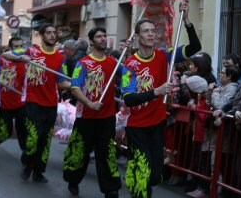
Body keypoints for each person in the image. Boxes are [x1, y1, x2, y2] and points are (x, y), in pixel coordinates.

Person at [63, 27, 170, 198]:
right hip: (86, 118)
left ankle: (111, 189)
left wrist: (127, 52)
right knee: (79, 152)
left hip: (106, 119)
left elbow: (130, 72)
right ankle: (73, 180)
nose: (103, 39)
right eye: (99, 36)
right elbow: (75, 87)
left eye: (105, 36)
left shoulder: (114, 63)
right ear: (91, 41)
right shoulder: (83, 64)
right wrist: (89, 103)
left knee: (107, 155)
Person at [123, 0, 201, 198]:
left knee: (156, 174)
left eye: (152, 31)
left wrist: (187, 20)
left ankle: (137, 178)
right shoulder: (130, 64)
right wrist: (157, 92)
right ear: (138, 37)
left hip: (157, 124)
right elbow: (129, 99)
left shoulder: (164, 55)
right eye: (146, 31)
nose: (151, 34)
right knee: (143, 172)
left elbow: (195, 47)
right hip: (137, 127)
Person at [2, 23, 71, 183]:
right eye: (49, 33)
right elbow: (6, 55)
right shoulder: (30, 51)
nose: (53, 35)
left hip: (51, 103)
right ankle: (27, 164)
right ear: (41, 35)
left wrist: (75, 84)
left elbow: (62, 82)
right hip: (32, 101)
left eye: (54, 33)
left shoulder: (61, 58)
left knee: (45, 140)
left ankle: (39, 171)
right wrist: (21, 58)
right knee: (33, 137)